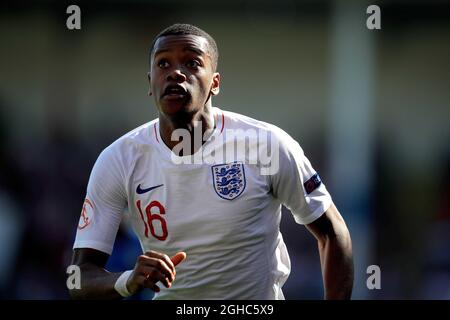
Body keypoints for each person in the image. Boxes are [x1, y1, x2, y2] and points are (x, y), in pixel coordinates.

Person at [69, 23, 353, 300]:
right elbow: (79, 277)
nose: (176, 73)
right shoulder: (118, 159)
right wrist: (125, 280)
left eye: (191, 63)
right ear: (150, 82)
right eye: (163, 64)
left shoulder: (267, 145)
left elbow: (332, 233)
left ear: (215, 83)